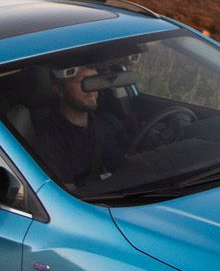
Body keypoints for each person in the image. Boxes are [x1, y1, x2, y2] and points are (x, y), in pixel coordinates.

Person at [24, 58, 138, 190]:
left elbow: (134, 159)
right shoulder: (49, 140)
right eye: (82, 83)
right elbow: (68, 196)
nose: (91, 89)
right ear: (59, 90)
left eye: (94, 81)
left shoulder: (109, 122)